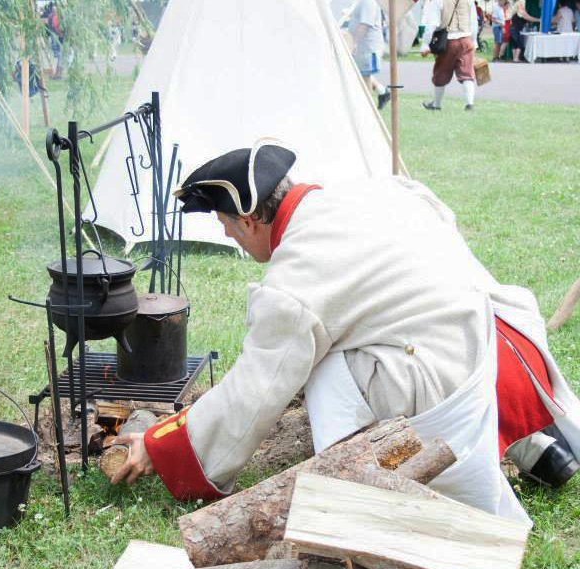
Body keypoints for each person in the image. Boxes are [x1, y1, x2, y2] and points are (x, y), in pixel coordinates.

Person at [110, 140, 580, 523]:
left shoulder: (296, 278)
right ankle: (532, 444)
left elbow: (256, 389)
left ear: (250, 220)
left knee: (326, 366)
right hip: (507, 346)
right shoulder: (376, 192)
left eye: (228, 227)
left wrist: (161, 445)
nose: (231, 238)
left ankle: (372, 487)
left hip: (451, 382)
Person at [420, 0, 479, 111]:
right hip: (466, 39)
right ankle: (469, 104)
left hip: (448, 40)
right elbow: (474, 21)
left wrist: (425, 44)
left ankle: (436, 105)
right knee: (467, 73)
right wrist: (474, 41)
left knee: (441, 72)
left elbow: (432, 24)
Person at [348, 0, 391, 110]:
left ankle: (367, 109)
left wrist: (354, 42)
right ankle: (383, 92)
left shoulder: (368, 2)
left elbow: (365, 24)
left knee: (365, 76)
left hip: (368, 47)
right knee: (359, 74)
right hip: (362, 47)